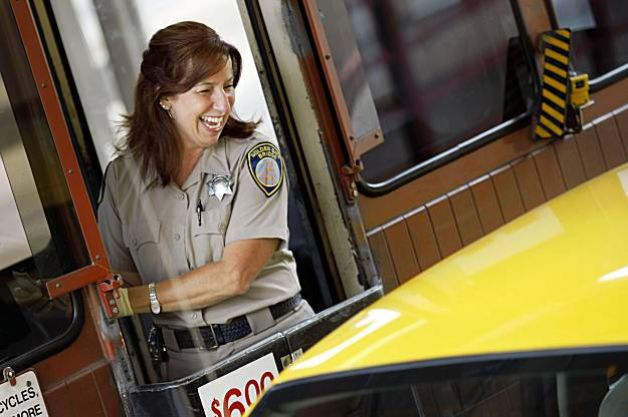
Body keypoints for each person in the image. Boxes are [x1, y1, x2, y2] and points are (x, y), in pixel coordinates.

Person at [97, 21, 314, 380]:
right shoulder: (122, 180)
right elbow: (118, 279)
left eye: (228, 87)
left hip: (277, 346)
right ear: (163, 97)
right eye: (205, 90)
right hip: (184, 371)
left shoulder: (255, 157)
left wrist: (135, 302)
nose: (222, 103)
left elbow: (235, 276)